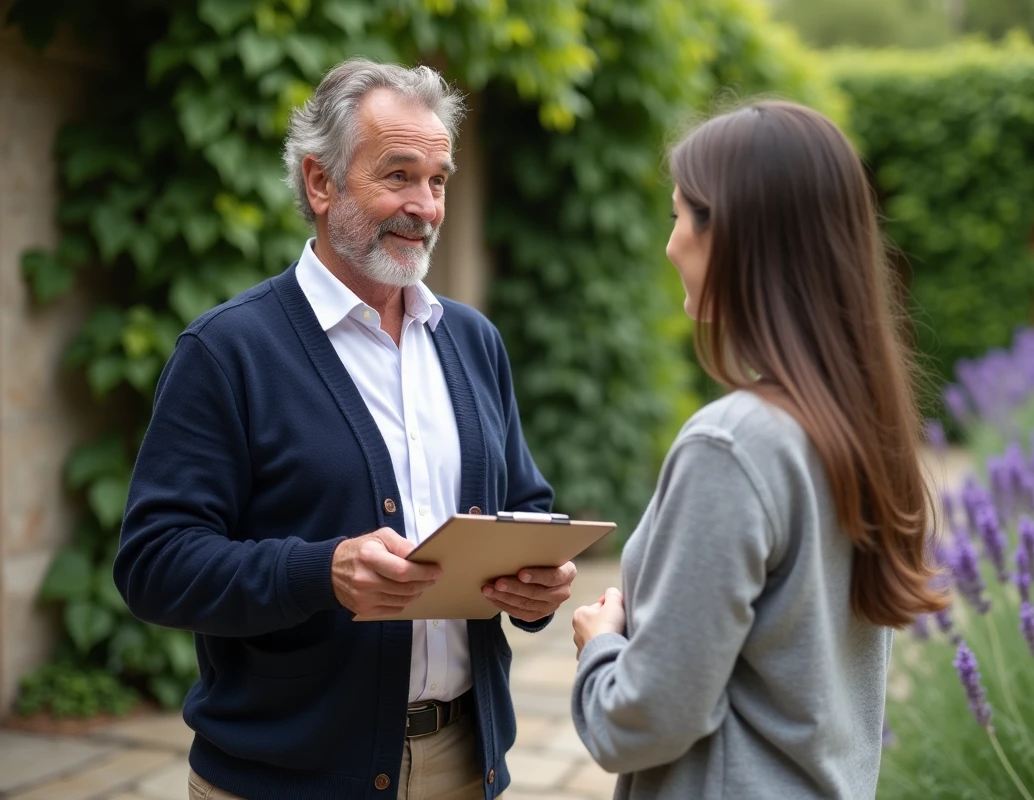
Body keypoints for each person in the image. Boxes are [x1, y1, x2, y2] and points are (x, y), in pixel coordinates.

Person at [115, 58, 576, 800]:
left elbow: (523, 500)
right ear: (319, 182)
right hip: (284, 780)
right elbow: (154, 565)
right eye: (398, 175)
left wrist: (537, 582)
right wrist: (319, 573)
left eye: (438, 180)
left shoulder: (472, 339)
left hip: (464, 765)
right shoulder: (228, 350)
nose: (424, 205)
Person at [570, 100, 949, 799]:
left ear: (737, 236)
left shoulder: (731, 445)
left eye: (680, 215)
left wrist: (599, 646)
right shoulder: (857, 424)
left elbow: (646, 721)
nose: (670, 243)